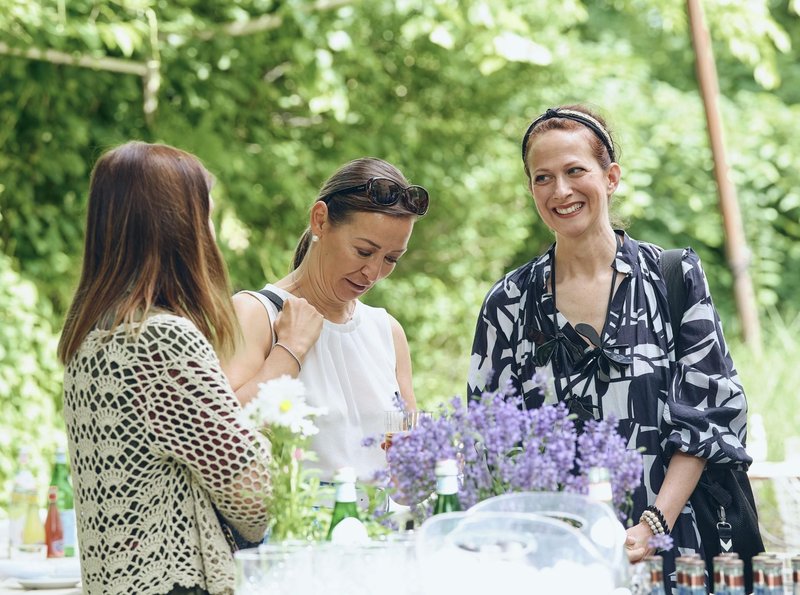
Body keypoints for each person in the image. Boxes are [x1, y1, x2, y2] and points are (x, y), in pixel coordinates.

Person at [467, 105, 751, 589]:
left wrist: (650, 526)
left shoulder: (673, 278)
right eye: (543, 178)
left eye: (575, 171)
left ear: (611, 176)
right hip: (552, 560)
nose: (561, 191)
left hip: (672, 547)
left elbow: (708, 417)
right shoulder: (508, 303)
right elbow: (489, 439)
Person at [57, 141, 271, 595]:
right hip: (172, 583)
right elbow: (252, 496)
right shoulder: (161, 341)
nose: (211, 235)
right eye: (206, 219)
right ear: (178, 228)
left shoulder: (89, 339)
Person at [223, 157, 429, 480]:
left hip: (384, 526)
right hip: (296, 528)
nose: (373, 273)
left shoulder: (388, 331)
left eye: (391, 259)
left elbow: (408, 463)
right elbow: (220, 435)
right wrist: (288, 351)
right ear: (320, 220)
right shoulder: (256, 313)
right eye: (363, 251)